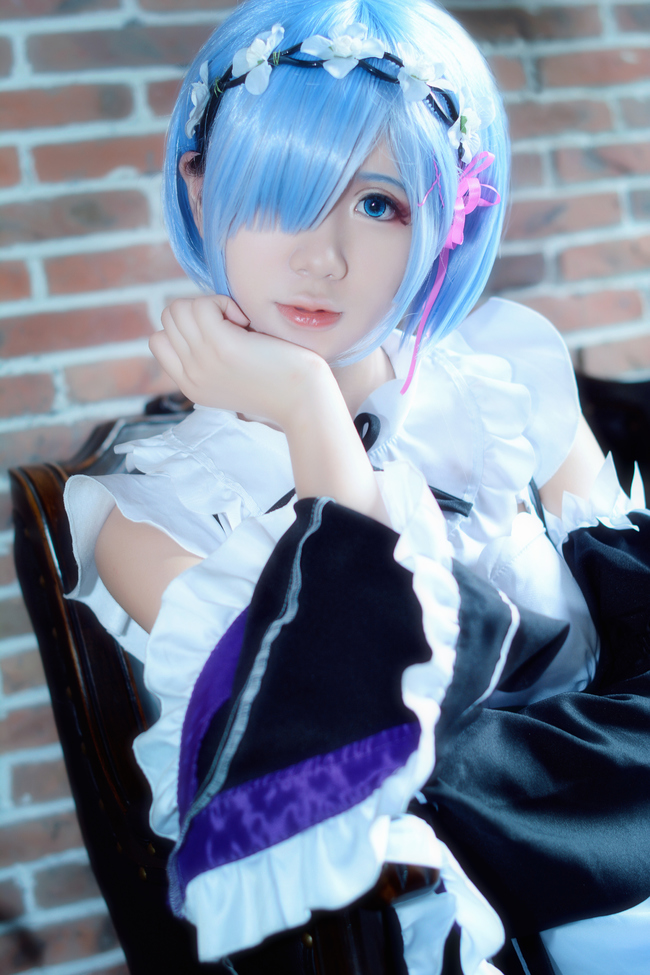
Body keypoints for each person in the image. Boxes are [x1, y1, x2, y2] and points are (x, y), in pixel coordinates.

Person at [63, 0, 650, 972]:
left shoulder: (501, 381)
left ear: (448, 218)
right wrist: (307, 412)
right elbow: (340, 752)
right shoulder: (148, 513)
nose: (321, 258)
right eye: (281, 194)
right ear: (200, 193)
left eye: (378, 205)